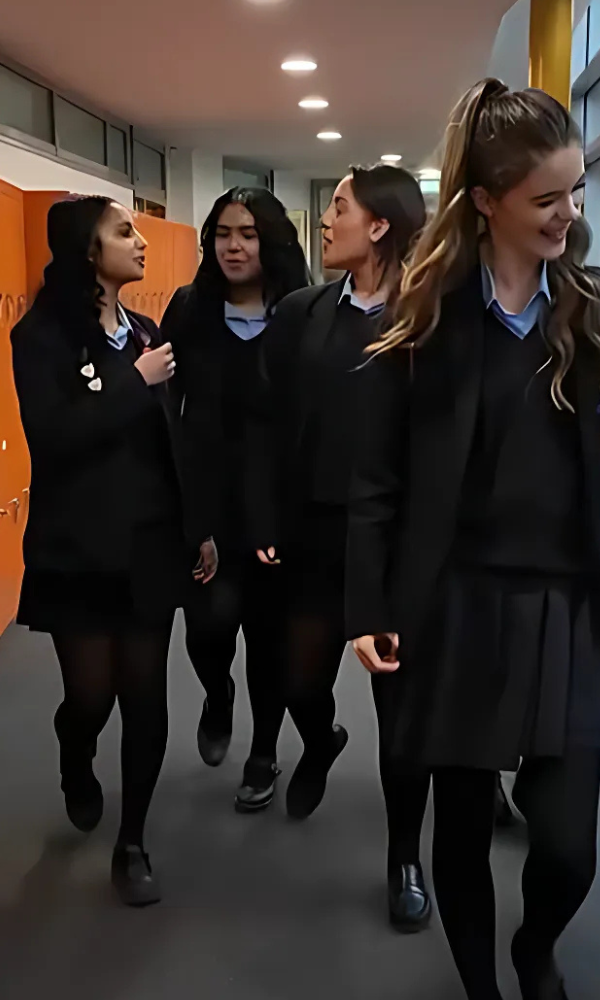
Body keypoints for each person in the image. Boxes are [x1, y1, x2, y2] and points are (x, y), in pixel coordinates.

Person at [347, 80, 600, 1000]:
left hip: (572, 604)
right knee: (458, 829)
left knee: (568, 847)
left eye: (576, 192)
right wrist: (368, 605)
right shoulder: (423, 319)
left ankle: (537, 946)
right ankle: (482, 986)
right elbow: (375, 481)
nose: (568, 215)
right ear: (485, 202)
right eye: (546, 199)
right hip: (454, 603)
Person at [246, 165, 433, 930]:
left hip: (396, 543)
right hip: (314, 532)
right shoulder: (301, 312)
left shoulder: (432, 317)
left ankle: (403, 859)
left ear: (380, 226)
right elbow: (266, 422)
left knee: (403, 719)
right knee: (296, 683)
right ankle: (319, 741)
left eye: (339, 209)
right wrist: (262, 516)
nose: (325, 223)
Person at [11, 196, 197, 906]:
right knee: (91, 695)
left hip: (150, 545)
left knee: (145, 695)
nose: (140, 241)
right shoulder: (41, 336)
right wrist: (134, 381)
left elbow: (170, 445)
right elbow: (55, 439)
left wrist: (197, 529)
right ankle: (74, 749)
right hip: (78, 551)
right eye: (124, 231)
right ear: (87, 251)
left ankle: (133, 841)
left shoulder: (145, 330)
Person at [161, 188, 310, 811]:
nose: (233, 246)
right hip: (208, 501)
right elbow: (166, 405)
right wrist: (188, 510)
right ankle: (217, 691)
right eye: (222, 233)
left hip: (278, 505)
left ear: (270, 240)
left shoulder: (301, 313)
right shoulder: (191, 309)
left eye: (247, 233)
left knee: (271, 637)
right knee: (210, 625)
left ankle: (264, 752)